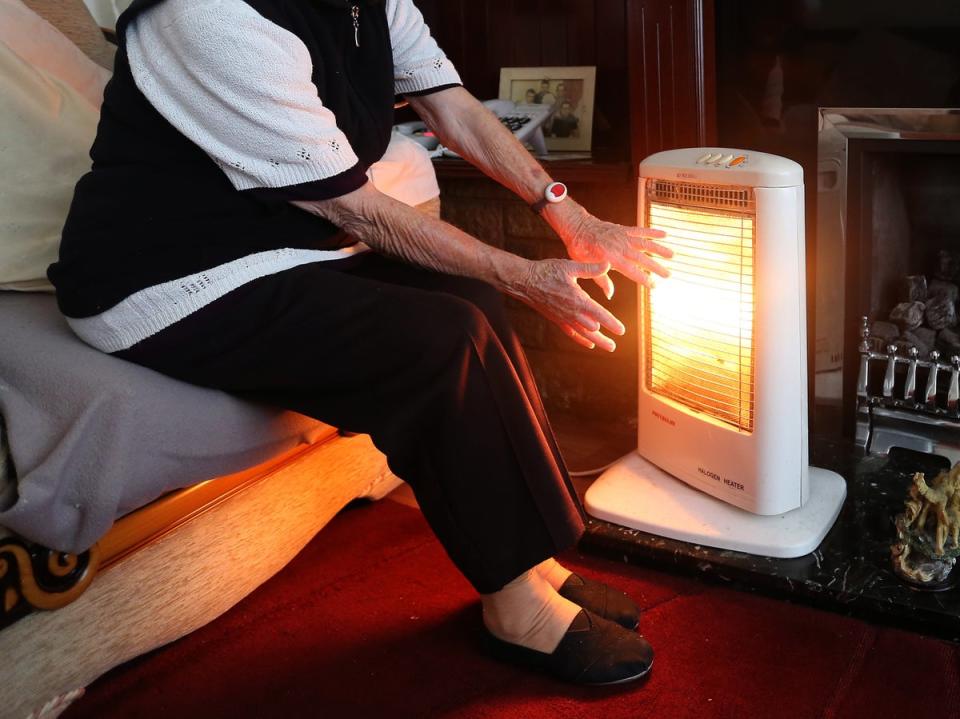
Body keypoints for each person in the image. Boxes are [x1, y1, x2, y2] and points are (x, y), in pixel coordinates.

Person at [49, 0, 671, 687]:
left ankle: (535, 560)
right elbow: (355, 207)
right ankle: (515, 607)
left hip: (274, 240)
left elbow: (451, 104)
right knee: (439, 339)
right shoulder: (205, 15)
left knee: (471, 298)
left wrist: (566, 210)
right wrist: (526, 273)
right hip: (161, 276)